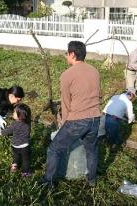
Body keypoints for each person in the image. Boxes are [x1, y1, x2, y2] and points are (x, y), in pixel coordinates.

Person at [41, 41, 101, 188]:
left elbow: (66, 103)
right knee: (91, 149)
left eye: (66, 54)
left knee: (54, 149)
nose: (66, 56)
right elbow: (99, 95)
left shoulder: (67, 75)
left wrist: (64, 123)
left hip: (77, 120)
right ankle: (91, 180)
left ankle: (48, 182)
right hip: (95, 118)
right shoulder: (94, 71)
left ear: (72, 54)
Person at [0, 103, 32, 177]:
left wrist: (0, 132)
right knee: (25, 159)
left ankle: (14, 166)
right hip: (25, 146)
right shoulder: (28, 122)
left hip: (15, 145)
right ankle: (25, 172)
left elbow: (6, 132)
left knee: (16, 156)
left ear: (19, 116)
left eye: (14, 112)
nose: (13, 113)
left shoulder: (14, 124)